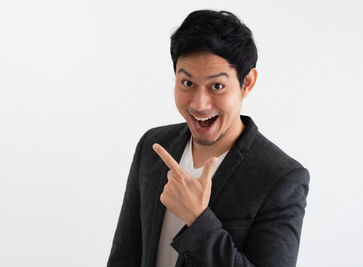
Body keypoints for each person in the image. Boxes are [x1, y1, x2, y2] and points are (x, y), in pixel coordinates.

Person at [107, 10, 309, 267]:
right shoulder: (153, 146)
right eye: (187, 83)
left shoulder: (282, 177)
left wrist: (198, 219)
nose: (199, 105)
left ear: (247, 82)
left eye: (217, 86)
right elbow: (124, 256)